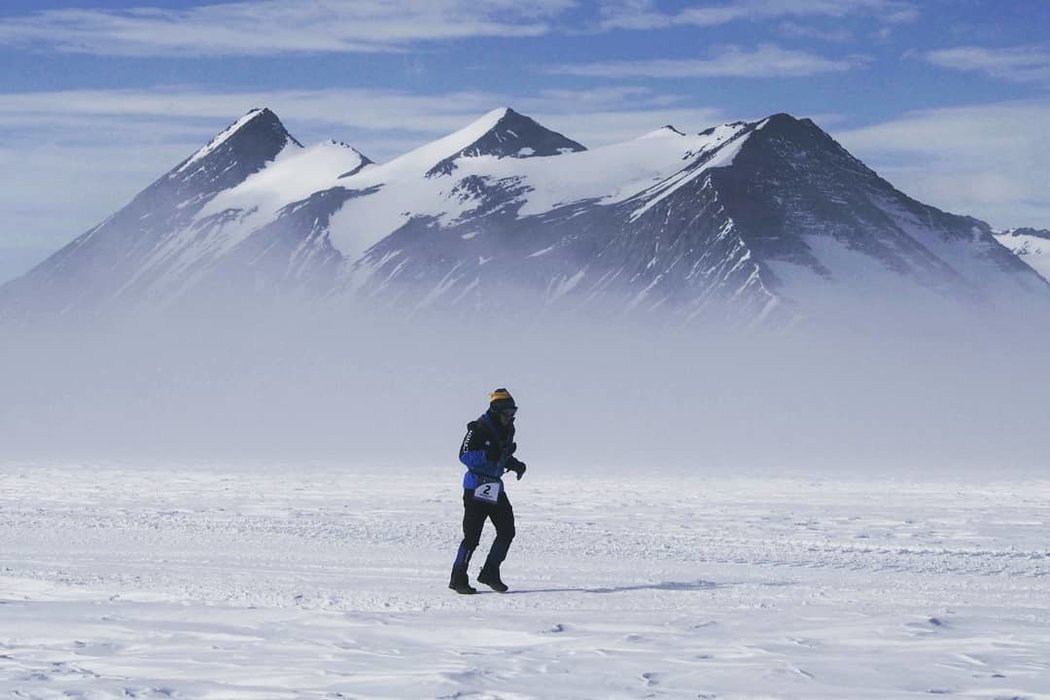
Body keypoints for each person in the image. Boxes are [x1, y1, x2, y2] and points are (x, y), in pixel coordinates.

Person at [449, 388, 527, 594]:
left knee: (507, 530)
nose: (510, 416)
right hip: (475, 486)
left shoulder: (509, 429)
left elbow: (500, 455)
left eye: (513, 412)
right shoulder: (478, 428)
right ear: (496, 410)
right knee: (472, 537)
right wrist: (486, 455)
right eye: (507, 413)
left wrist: (515, 463)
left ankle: (490, 572)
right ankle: (458, 578)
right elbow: (464, 456)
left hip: (494, 486)